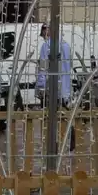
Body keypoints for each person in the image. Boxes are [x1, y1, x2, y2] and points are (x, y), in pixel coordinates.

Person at [37, 24, 75, 153]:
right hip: (65, 90)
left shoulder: (46, 46)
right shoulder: (66, 45)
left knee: (51, 120)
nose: (43, 37)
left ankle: (54, 148)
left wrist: (41, 88)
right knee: (66, 117)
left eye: (43, 34)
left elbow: (43, 68)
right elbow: (68, 67)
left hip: (52, 90)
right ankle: (71, 142)